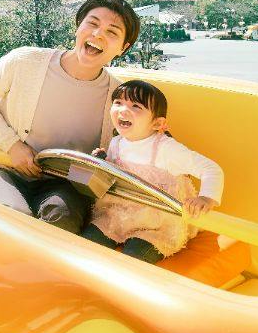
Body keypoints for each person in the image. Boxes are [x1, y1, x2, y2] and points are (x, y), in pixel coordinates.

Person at [0, 0, 140, 233]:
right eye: (92, 23)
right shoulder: (25, 61)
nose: (98, 34)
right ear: (78, 27)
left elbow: (136, 141)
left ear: (124, 47)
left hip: (66, 184)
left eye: (112, 32)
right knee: (13, 218)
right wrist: (12, 145)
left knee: (62, 222)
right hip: (4, 167)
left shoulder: (119, 97)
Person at [81, 79, 223, 263]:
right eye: (118, 103)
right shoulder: (116, 142)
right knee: (85, 245)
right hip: (118, 215)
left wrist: (205, 198)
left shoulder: (166, 149)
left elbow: (211, 169)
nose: (123, 110)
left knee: (134, 257)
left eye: (136, 106)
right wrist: (103, 161)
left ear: (157, 123)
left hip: (156, 224)